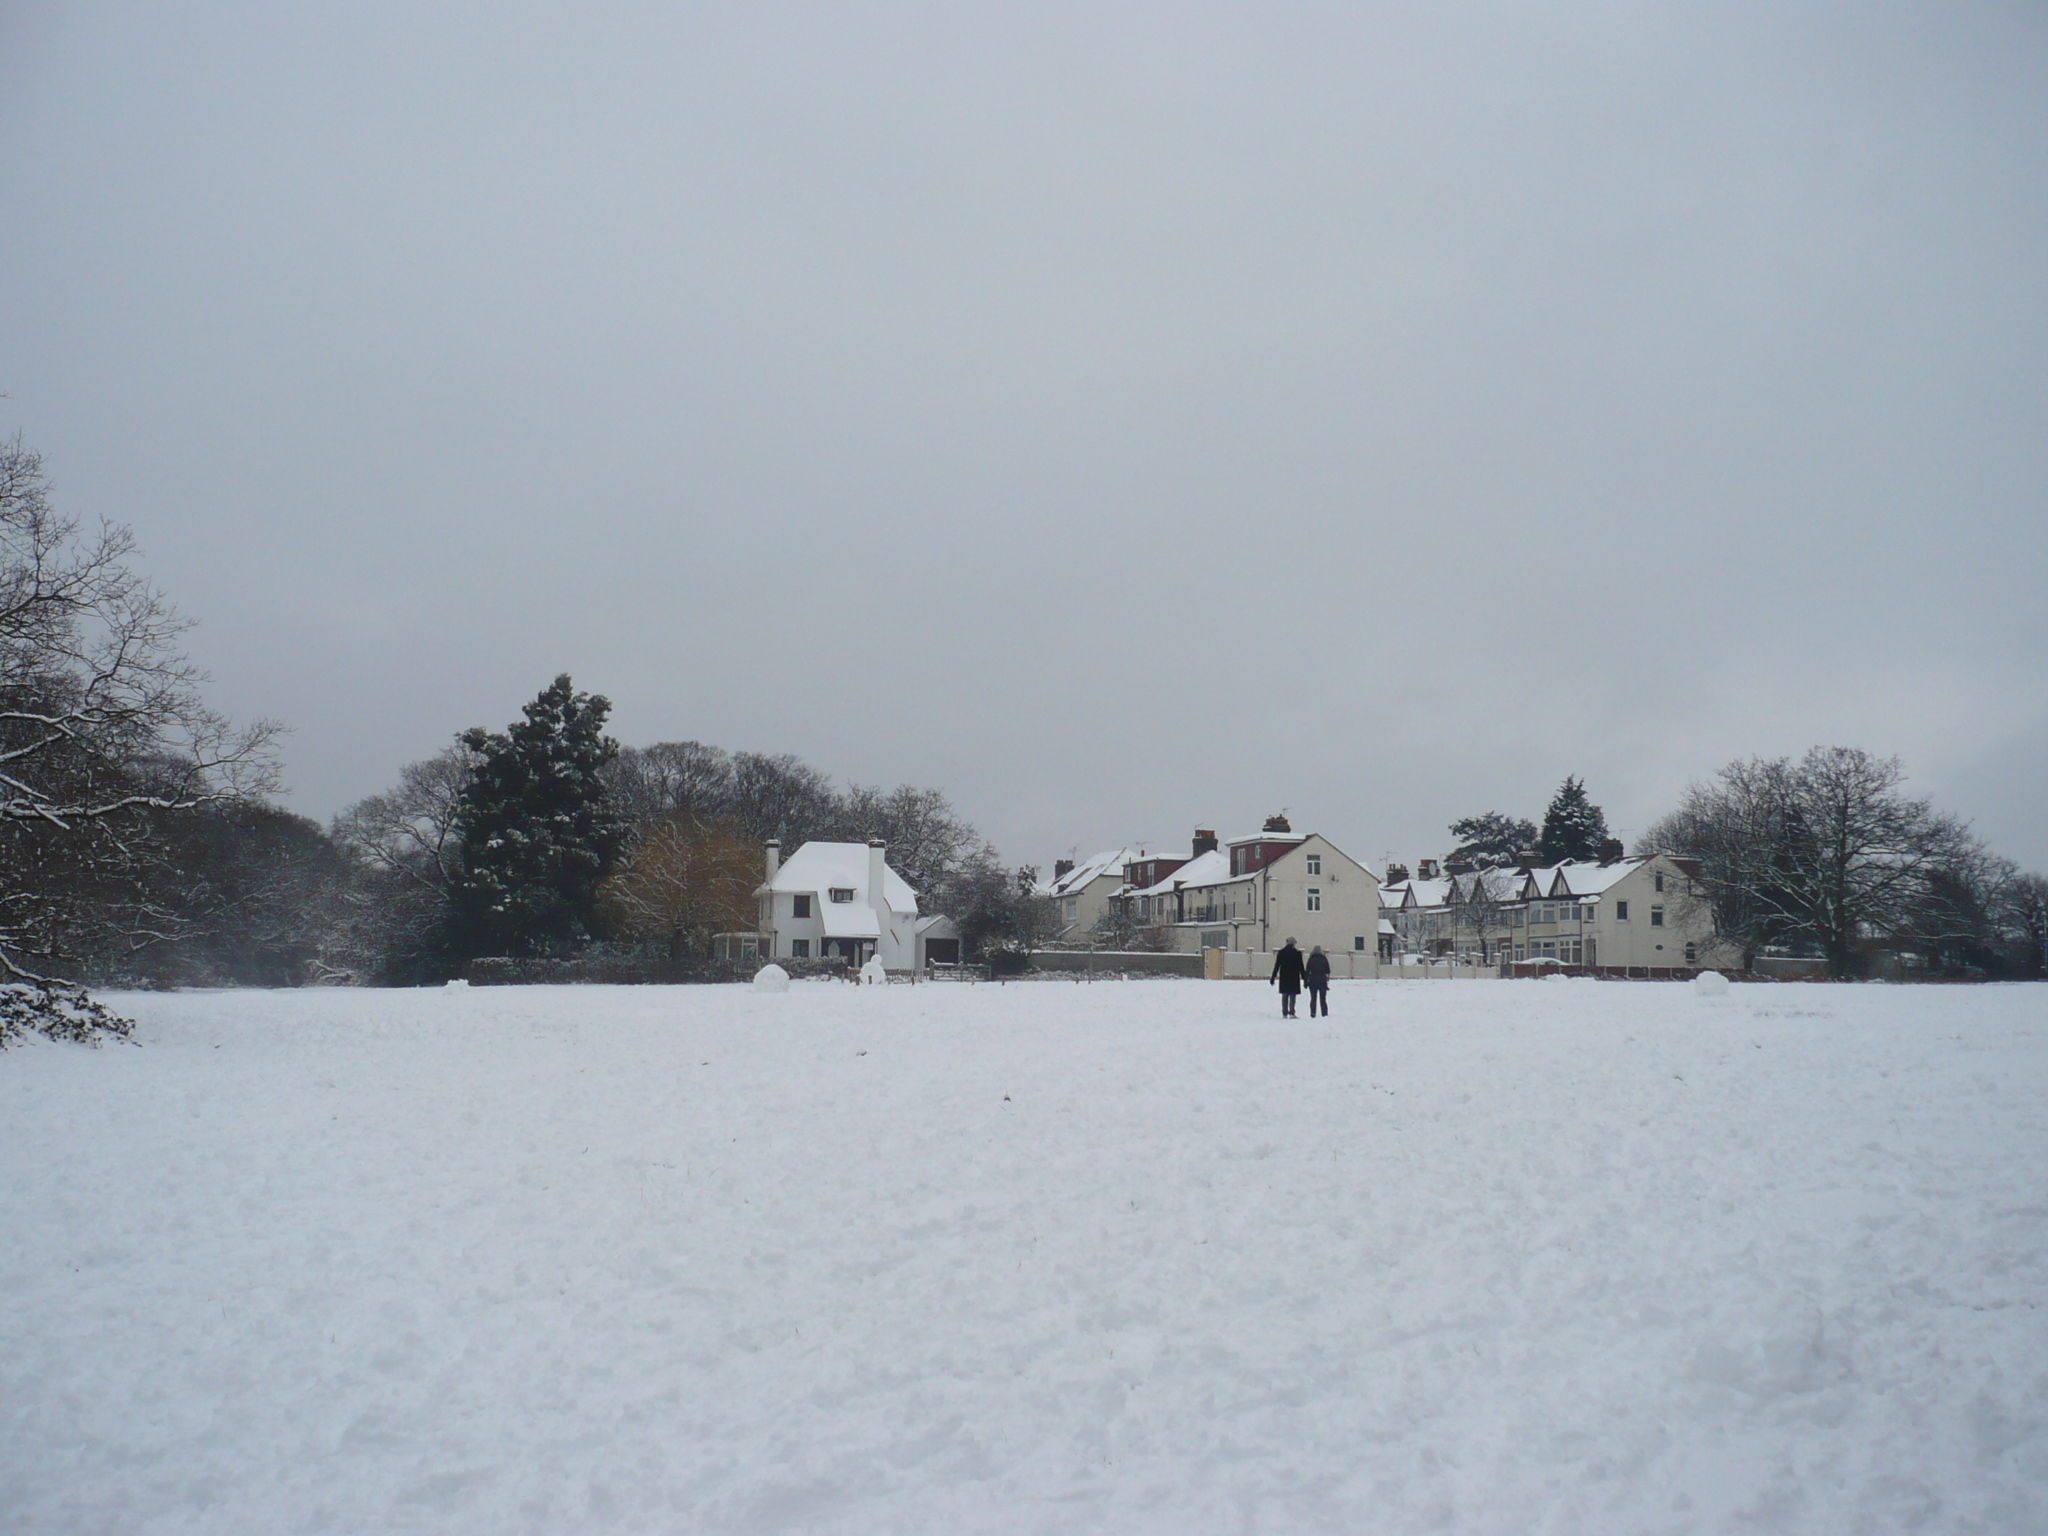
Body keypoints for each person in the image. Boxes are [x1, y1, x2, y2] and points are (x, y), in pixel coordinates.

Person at [1270, 936, 1305, 1017]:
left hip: (1284, 977)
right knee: (1292, 995)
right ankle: (1292, 1012)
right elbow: (1301, 967)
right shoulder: (1297, 953)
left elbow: (1277, 966)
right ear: (1293, 944)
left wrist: (1273, 977)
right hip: (1294, 977)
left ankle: (1284, 1012)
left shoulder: (1281, 953)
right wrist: (1304, 978)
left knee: (1285, 994)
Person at [1304, 944, 1331, 1016]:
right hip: (1322, 980)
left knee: (1313, 998)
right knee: (1323, 998)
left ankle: (1313, 1012)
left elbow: (1307, 971)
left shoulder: (1311, 959)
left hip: (1313, 980)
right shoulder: (1324, 959)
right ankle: (1324, 1013)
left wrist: (1305, 982)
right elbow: (1328, 970)